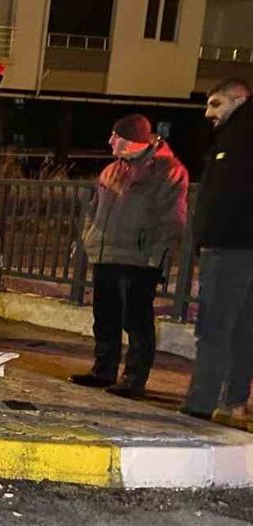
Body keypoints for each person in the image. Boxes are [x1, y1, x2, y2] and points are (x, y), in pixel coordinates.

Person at [70, 114, 189, 399]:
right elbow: (93, 210)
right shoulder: (112, 170)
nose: (110, 141)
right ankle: (103, 371)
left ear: (133, 142)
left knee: (136, 321)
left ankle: (134, 379)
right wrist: (89, 238)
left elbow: (172, 219)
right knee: (105, 317)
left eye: (116, 137)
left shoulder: (168, 171)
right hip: (106, 253)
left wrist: (156, 257)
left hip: (139, 259)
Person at [182, 79, 253, 425]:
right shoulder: (235, 136)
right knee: (242, 326)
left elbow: (223, 196)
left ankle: (200, 402)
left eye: (215, 104)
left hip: (230, 247)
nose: (208, 112)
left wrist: (206, 236)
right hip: (240, 246)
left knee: (214, 326)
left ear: (239, 99)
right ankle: (234, 400)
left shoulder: (238, 138)